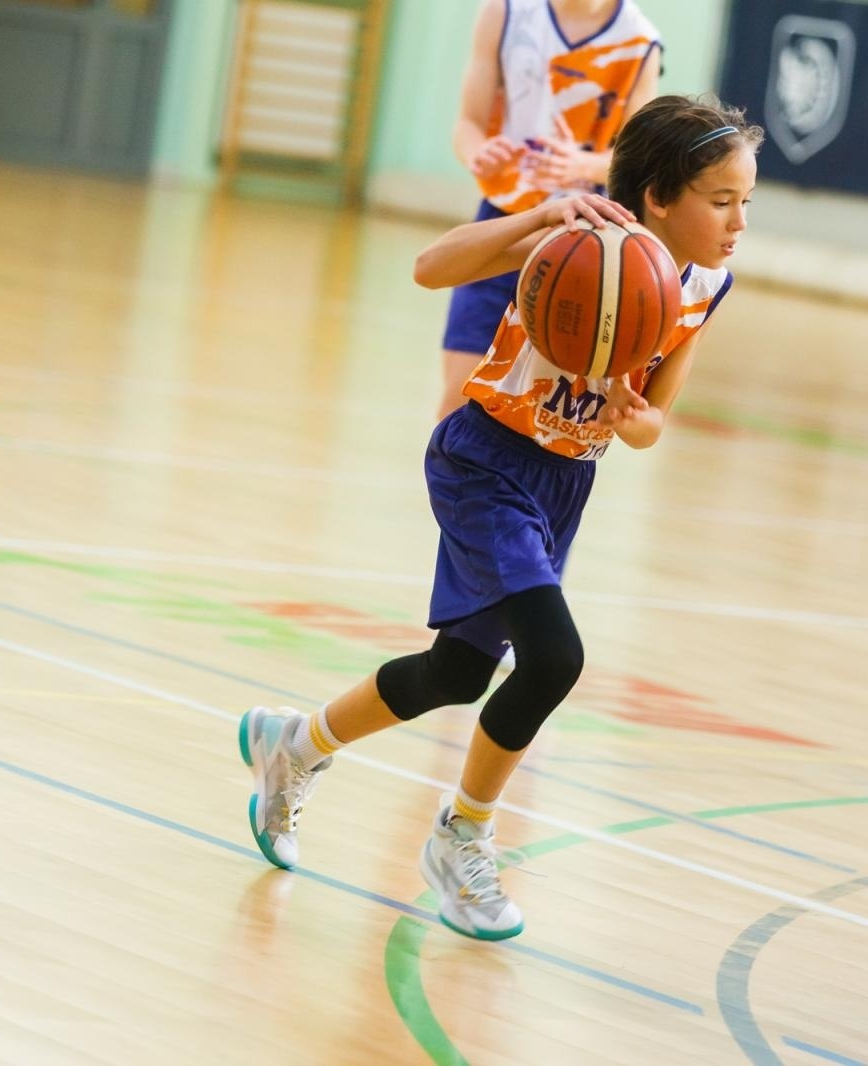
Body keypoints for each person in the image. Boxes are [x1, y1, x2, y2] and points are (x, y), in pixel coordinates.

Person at [239, 96, 761, 941]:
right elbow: (429, 267)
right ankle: (463, 839)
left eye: (746, 202)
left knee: (456, 674)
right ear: (660, 195)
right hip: (485, 459)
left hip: (563, 485)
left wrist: (630, 414)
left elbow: (654, 422)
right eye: (721, 199)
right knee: (556, 657)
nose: (738, 221)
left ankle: (294, 745)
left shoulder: (707, 283)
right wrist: (538, 214)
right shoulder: (574, 238)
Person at [438, 0, 662, 422]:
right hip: (504, 221)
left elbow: (636, 162)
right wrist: (479, 154)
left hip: (581, 244)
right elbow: (467, 124)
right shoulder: (504, 13)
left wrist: (585, 165)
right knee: (457, 402)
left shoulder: (641, 42)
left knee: (543, 413)